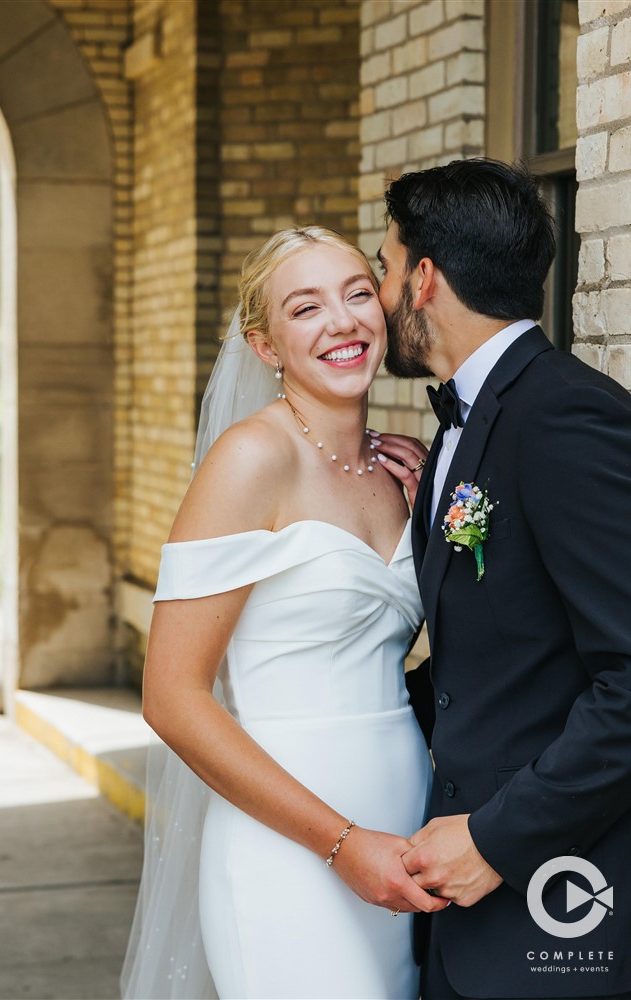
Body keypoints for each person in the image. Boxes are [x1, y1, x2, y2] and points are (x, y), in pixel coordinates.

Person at [120, 226, 447, 1000]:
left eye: (357, 293)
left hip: (407, 822)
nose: (341, 321)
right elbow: (171, 698)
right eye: (306, 308)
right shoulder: (249, 460)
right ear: (265, 347)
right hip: (289, 845)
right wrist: (340, 845)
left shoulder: (399, 466)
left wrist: (439, 494)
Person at [372, 158, 631, 1000]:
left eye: (379, 267)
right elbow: (492, 654)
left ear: (422, 280)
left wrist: (494, 839)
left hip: (554, 896)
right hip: (453, 906)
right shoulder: (467, 424)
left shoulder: (562, 415)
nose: (375, 300)